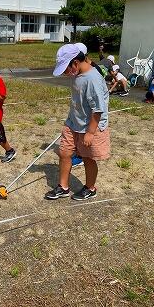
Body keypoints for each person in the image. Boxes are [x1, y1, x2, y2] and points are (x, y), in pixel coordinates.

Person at [45, 44, 110, 201]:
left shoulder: (92, 79)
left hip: (90, 126)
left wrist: (90, 132)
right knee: (64, 153)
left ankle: (90, 188)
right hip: (73, 122)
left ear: (75, 62)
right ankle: (63, 187)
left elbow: (98, 109)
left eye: (66, 69)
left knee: (88, 158)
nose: (66, 73)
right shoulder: (76, 73)